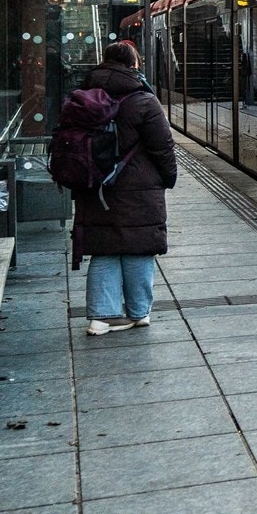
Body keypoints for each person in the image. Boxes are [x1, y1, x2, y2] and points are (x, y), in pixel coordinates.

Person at [75, 40, 177, 336]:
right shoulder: (144, 100)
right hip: (139, 185)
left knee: (104, 248)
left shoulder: (83, 95)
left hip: (96, 184)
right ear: (134, 65)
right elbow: (163, 147)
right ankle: (139, 312)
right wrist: (168, 178)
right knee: (139, 247)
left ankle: (100, 318)